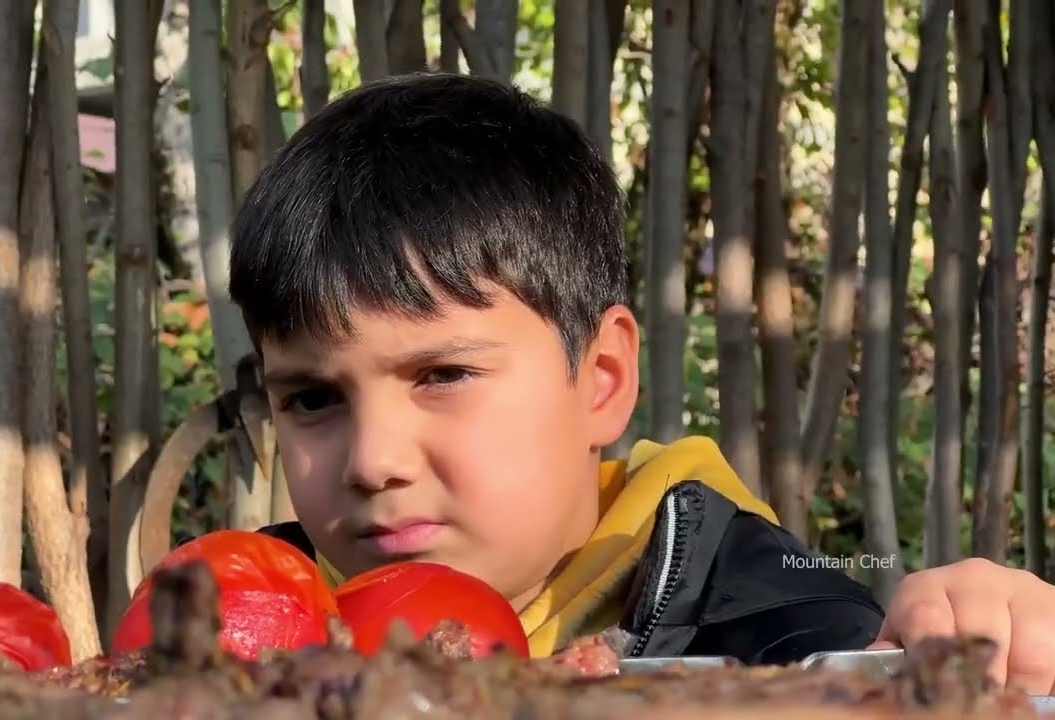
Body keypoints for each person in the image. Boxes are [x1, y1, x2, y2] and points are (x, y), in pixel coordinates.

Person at [223, 72, 1055, 693]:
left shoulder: (772, 623)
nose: (372, 462)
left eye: (443, 374)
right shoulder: (239, 632)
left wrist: (976, 638)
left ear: (602, 380)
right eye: (313, 399)